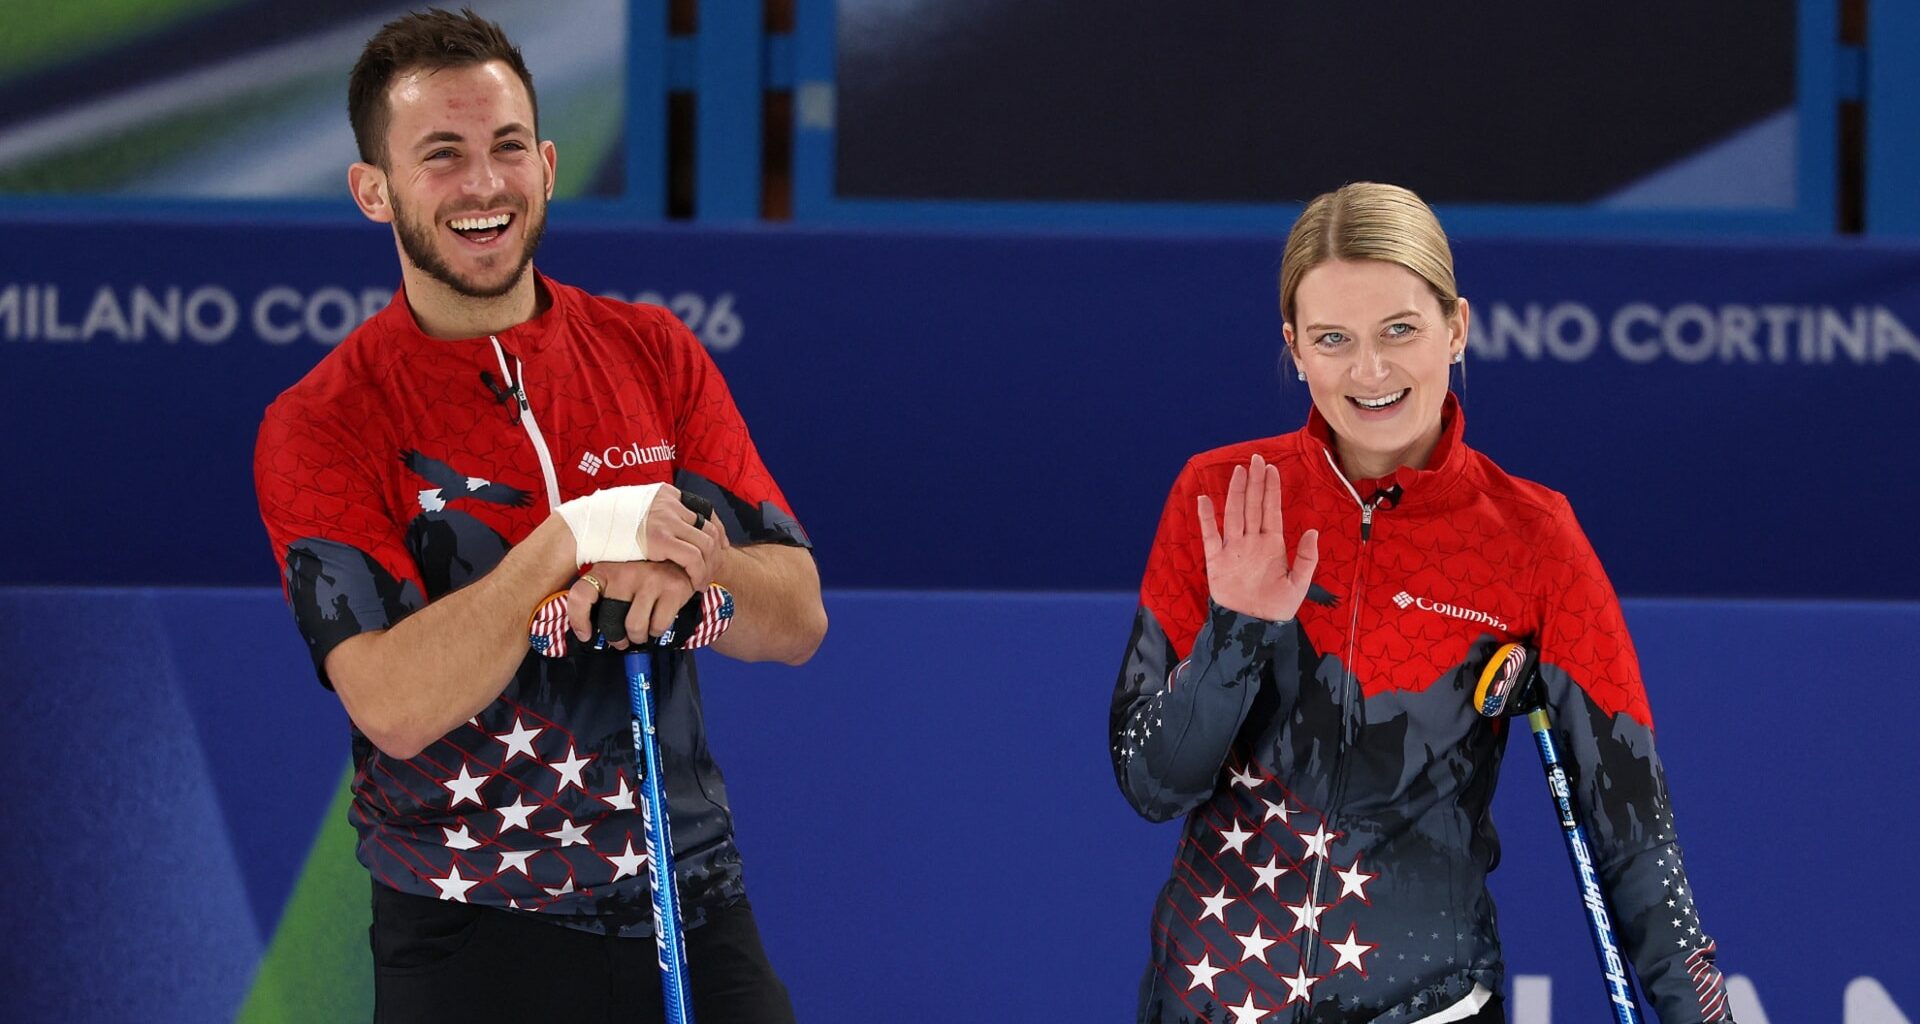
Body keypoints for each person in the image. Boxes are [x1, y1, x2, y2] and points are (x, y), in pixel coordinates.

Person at [252, 10, 826, 1022]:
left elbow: (798, 617)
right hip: (467, 924)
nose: (484, 185)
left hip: (688, 899)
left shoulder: (652, 350)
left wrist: (698, 567)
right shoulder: (321, 422)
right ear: (372, 191)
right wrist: (568, 540)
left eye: (507, 147)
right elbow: (390, 700)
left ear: (550, 164)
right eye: (442, 156)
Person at [1109, 183, 1732, 1023]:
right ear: (1294, 349)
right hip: (1211, 1001)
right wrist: (1238, 633)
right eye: (1333, 339)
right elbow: (1152, 783)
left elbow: (1635, 834)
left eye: (1400, 330)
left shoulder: (1532, 537)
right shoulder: (1221, 497)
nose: (1370, 372)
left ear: (1457, 327)